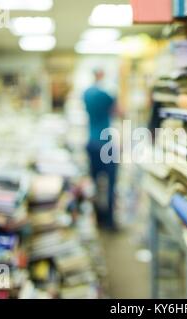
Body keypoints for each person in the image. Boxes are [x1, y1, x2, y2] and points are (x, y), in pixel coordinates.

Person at [83, 68, 119, 231]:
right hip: (106, 143)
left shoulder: (87, 93)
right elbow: (118, 110)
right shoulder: (107, 95)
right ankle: (109, 222)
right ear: (102, 75)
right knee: (110, 184)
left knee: (95, 183)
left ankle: (96, 219)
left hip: (91, 142)